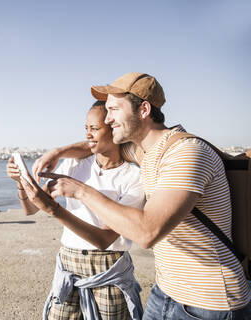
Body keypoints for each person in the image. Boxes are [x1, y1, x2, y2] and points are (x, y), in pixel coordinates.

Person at [33, 72, 251, 319]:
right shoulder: (145, 151)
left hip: (209, 302)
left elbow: (146, 232)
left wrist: (80, 190)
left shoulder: (185, 154)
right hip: (165, 291)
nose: (107, 118)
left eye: (114, 109)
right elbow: (100, 144)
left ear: (144, 110)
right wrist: (57, 152)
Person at [7, 101, 145, 320]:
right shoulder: (74, 165)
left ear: (114, 128)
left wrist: (55, 210)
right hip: (68, 265)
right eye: (86, 128)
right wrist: (20, 181)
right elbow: (31, 209)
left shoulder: (133, 177)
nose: (88, 134)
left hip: (108, 269)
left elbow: (105, 239)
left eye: (95, 128)